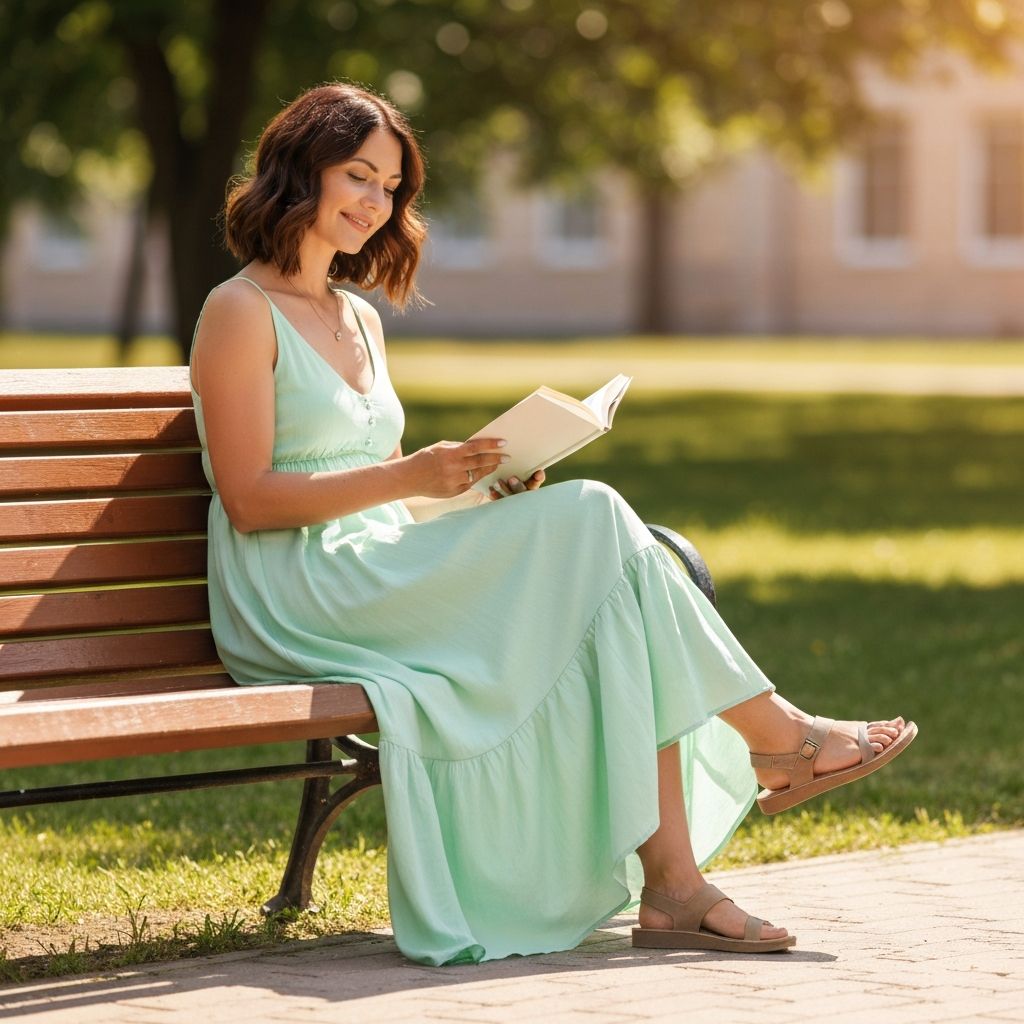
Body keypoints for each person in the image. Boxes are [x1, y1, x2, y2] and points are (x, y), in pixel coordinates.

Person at [189, 82, 917, 966]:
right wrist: (411, 472)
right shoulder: (238, 311)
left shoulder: (357, 319)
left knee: (610, 579)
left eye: (390, 187)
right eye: (358, 175)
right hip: (293, 592)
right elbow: (252, 499)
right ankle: (776, 740)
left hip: (372, 564)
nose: (375, 202)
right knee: (599, 521)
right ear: (300, 168)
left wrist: (471, 490)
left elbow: (380, 492)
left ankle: (676, 887)